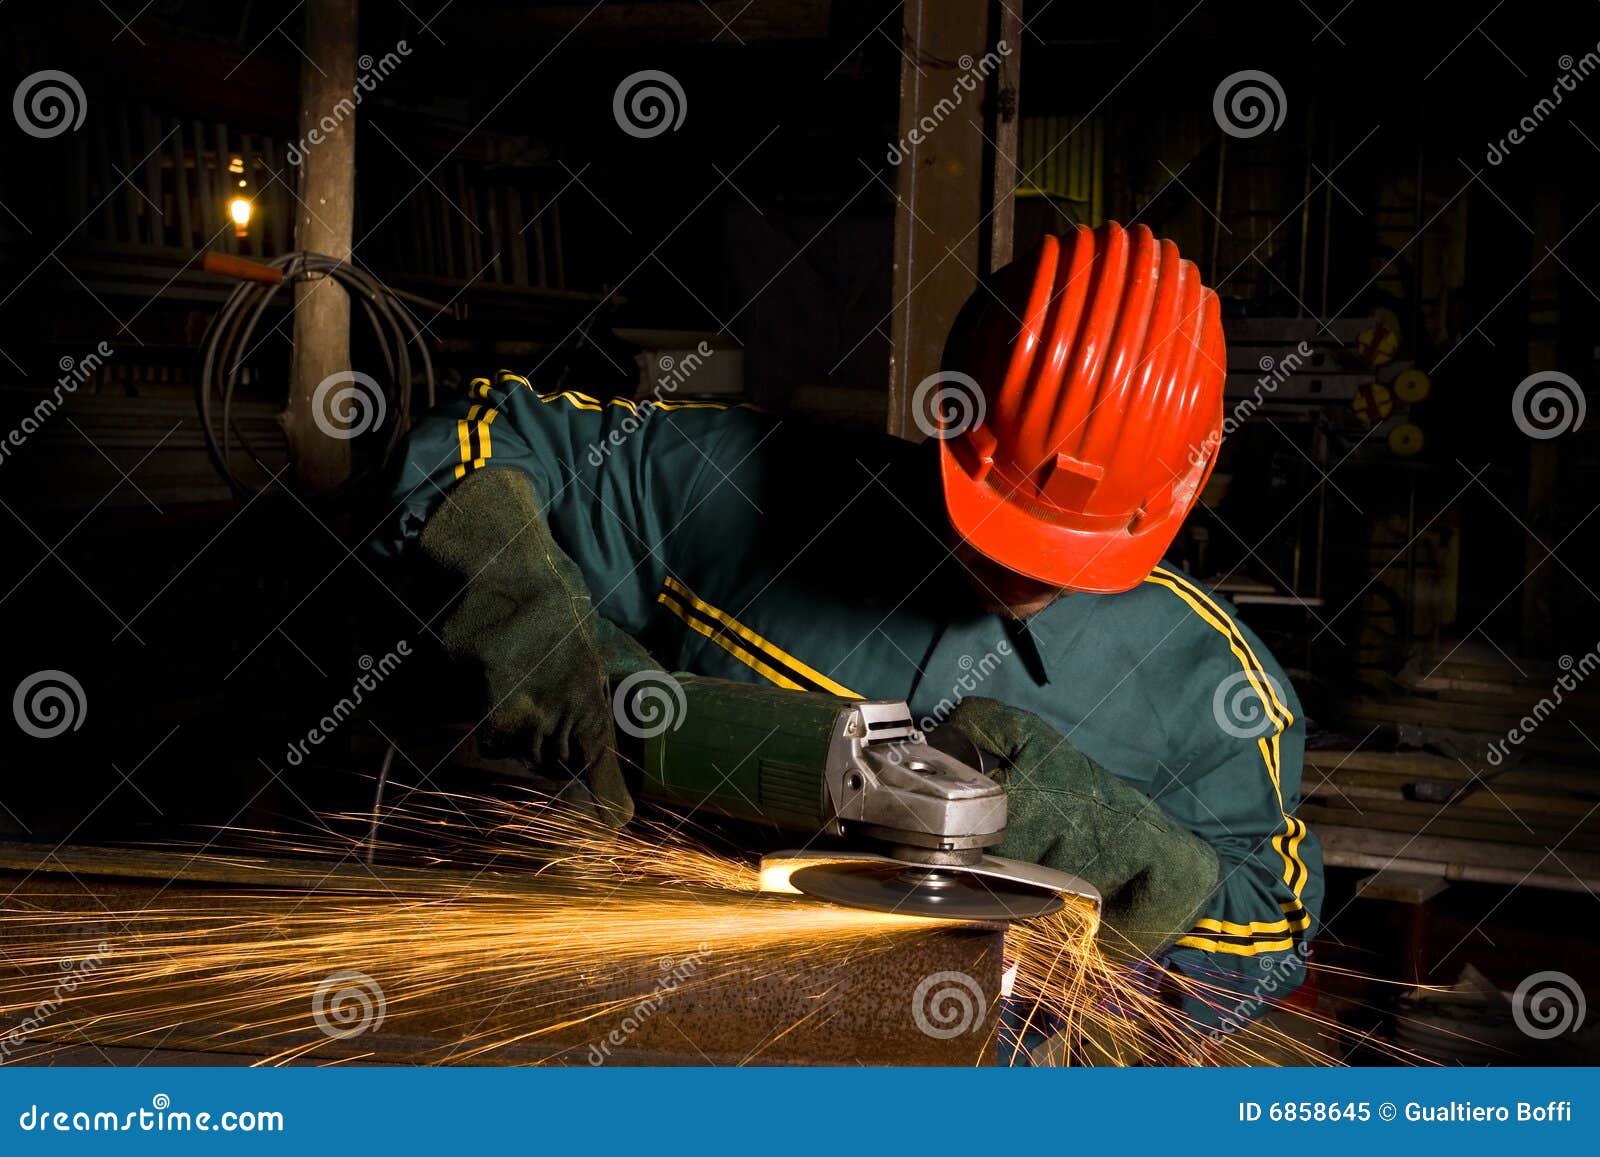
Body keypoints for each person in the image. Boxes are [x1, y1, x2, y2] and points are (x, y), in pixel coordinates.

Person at [372, 221, 1323, 1048]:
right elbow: (478, 435)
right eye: (996, 515)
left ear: (1175, 502)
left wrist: (1135, 856)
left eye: (1065, 550)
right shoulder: (747, 492)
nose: (1021, 570)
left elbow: (1274, 944)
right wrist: (547, 656)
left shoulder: (1217, 690)